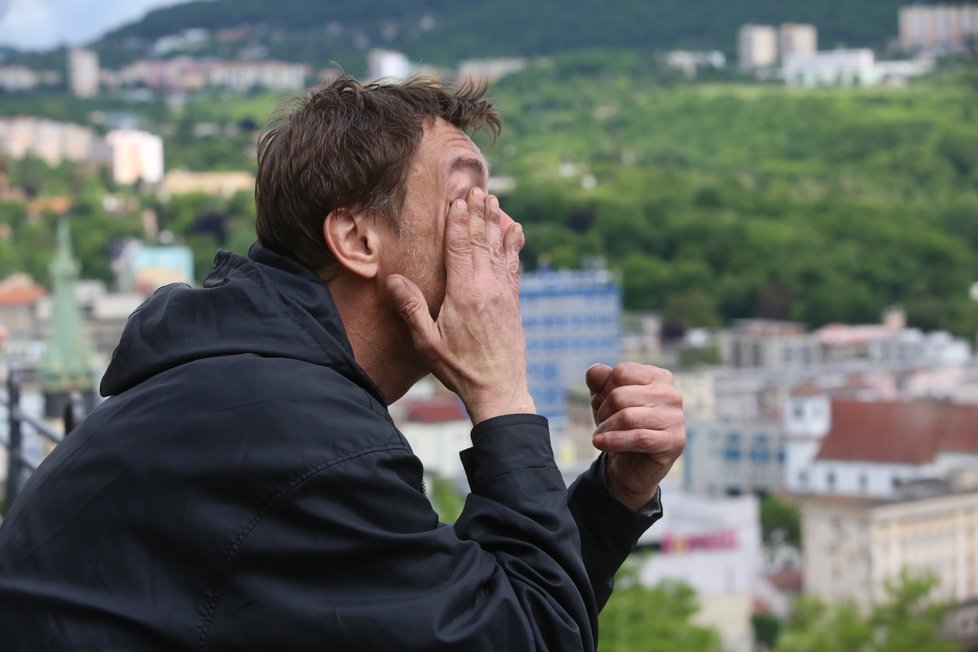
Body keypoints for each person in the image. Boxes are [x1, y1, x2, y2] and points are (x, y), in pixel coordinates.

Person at [0, 76, 684, 650]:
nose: (506, 232)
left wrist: (612, 497)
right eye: (467, 202)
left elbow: (473, 610)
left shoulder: (248, 389)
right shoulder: (292, 433)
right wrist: (502, 390)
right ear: (358, 238)